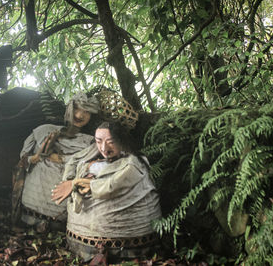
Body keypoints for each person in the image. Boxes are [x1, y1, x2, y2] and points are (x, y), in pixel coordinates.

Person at [52, 122, 162, 262]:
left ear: (121, 140)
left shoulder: (134, 163)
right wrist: (69, 180)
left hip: (129, 233)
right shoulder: (93, 153)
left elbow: (111, 186)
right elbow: (74, 161)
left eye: (110, 142)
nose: (104, 148)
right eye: (98, 141)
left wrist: (77, 183)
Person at [11, 92, 100, 229]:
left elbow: (92, 169)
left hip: (61, 214)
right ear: (69, 108)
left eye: (87, 112)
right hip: (30, 209)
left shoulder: (91, 142)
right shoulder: (43, 130)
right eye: (77, 109)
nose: (80, 115)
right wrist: (35, 158)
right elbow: (23, 160)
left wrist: (62, 159)